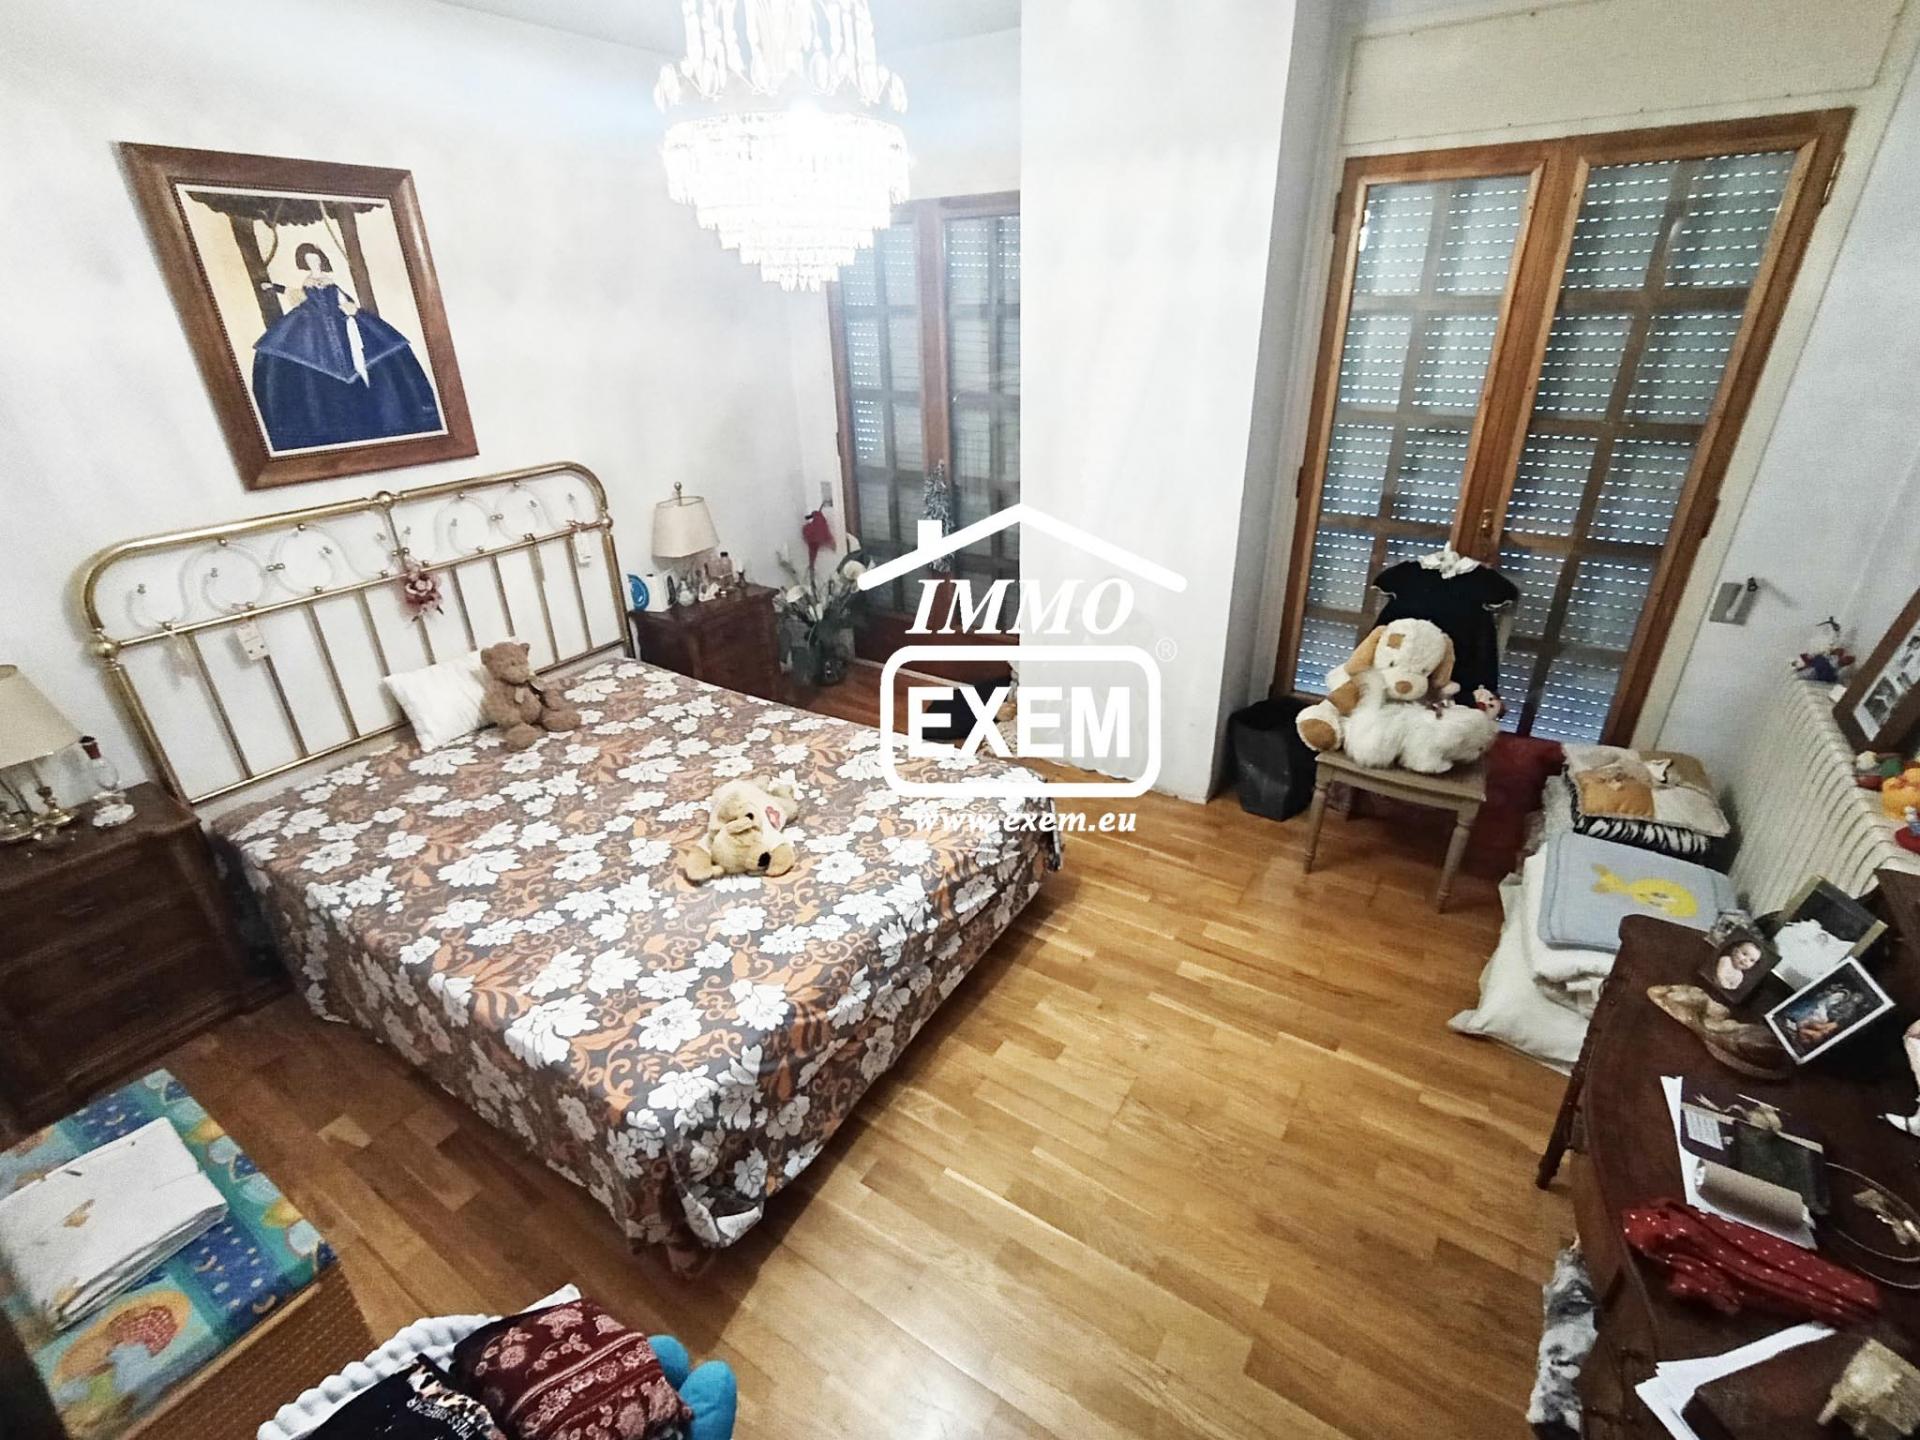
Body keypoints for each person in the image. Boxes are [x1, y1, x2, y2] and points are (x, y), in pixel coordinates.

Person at [250, 243, 442, 451]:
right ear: (304, 262)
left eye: (315, 259)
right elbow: (293, 293)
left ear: (321, 259)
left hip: (339, 322)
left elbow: (343, 298)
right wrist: (272, 287)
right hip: (314, 325)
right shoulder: (307, 282)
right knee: (308, 357)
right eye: (308, 260)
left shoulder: (329, 280)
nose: (313, 262)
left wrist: (349, 309)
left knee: (374, 347)